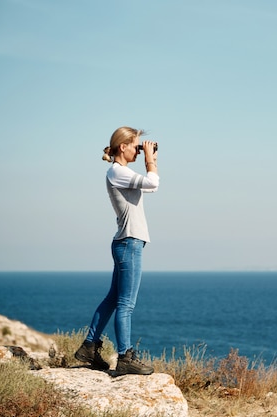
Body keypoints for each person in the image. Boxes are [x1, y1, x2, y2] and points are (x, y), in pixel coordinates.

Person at [74, 126, 160, 375]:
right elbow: (153, 181)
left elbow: (151, 186)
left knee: (113, 298)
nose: (139, 149)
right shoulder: (117, 172)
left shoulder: (121, 172)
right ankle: (125, 357)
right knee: (126, 303)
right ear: (123, 147)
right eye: (136, 145)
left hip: (126, 242)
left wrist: (149, 160)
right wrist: (150, 160)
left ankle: (90, 345)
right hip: (129, 242)